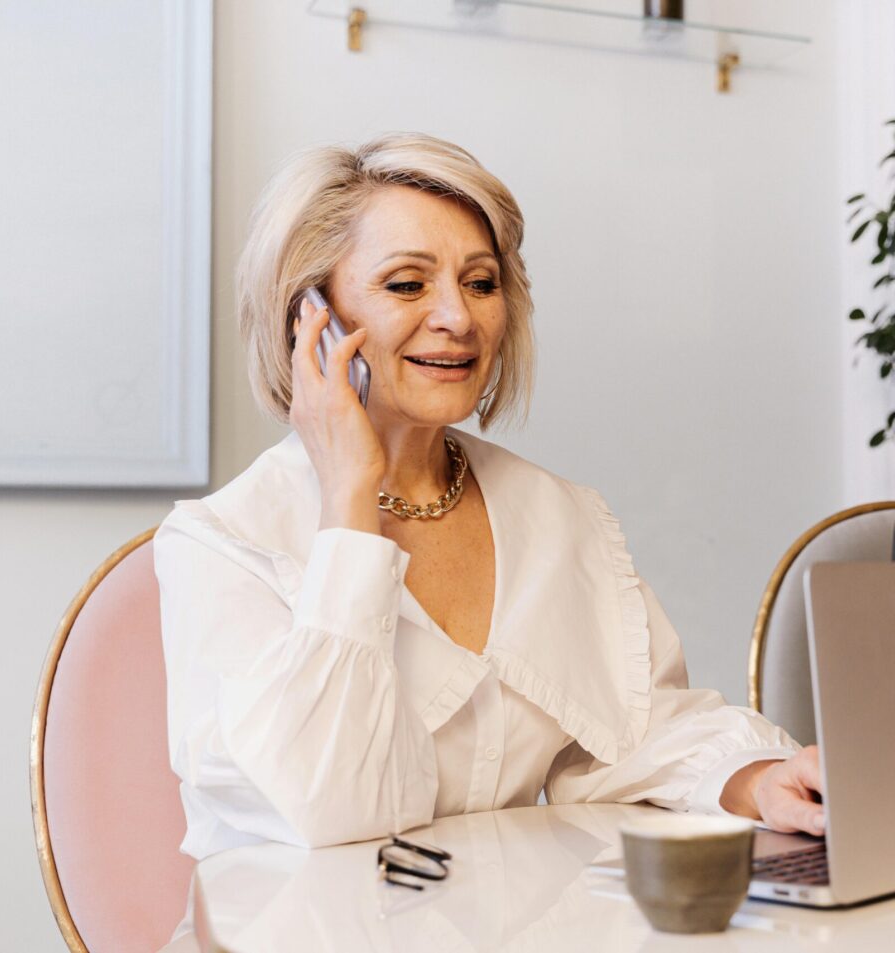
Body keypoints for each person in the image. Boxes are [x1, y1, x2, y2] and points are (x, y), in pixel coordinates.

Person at [154, 133, 823, 862]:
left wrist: (757, 779)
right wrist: (349, 499)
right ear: (309, 318)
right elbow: (327, 804)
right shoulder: (222, 542)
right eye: (407, 285)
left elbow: (631, 730)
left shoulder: (558, 514)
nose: (459, 318)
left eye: (480, 282)